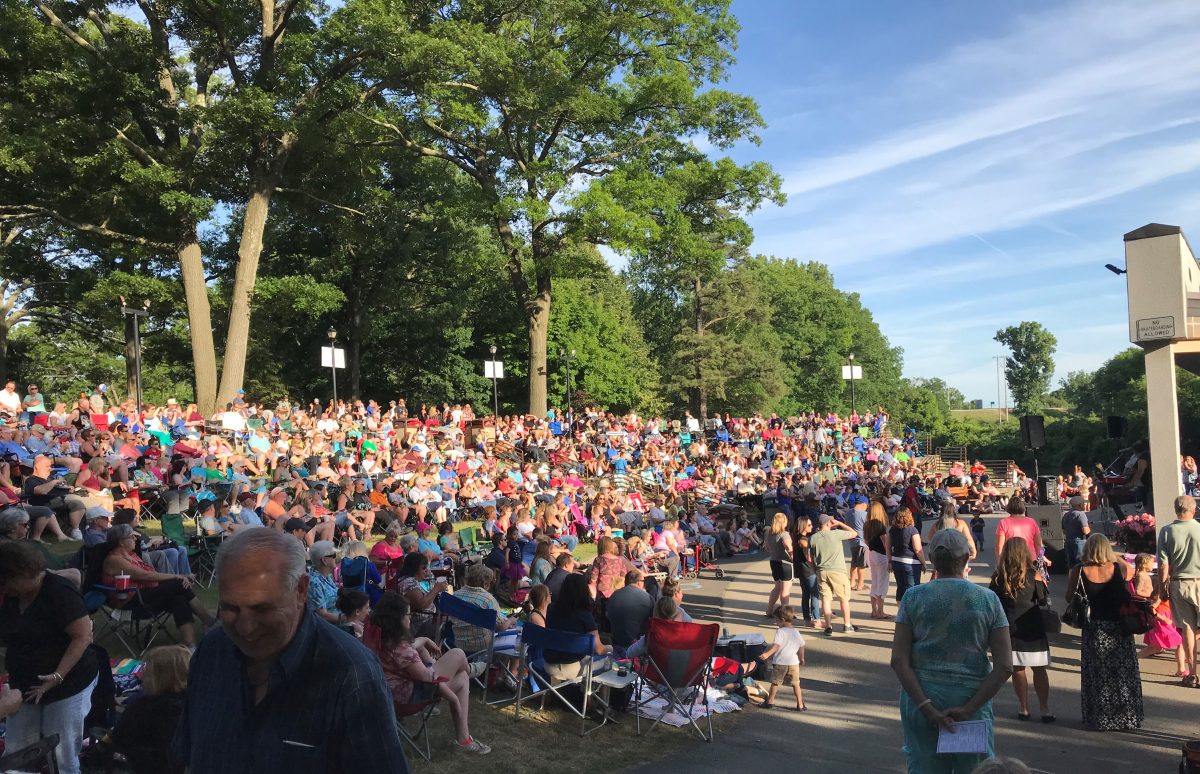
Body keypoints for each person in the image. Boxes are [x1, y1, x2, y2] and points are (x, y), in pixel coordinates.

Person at [175, 528, 409, 772]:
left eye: (262, 609)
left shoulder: (351, 673)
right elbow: (189, 753)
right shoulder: (212, 652)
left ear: (301, 591)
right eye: (230, 608)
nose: (245, 627)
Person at [890, 529, 1013, 774]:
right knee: (975, 769)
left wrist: (927, 708)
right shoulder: (987, 599)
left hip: (921, 696)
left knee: (925, 767)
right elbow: (1005, 666)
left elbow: (899, 660)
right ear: (967, 558)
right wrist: (969, 708)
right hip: (971, 699)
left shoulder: (913, 597)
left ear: (933, 559)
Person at [0, 541, 99, 774]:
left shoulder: (59, 592)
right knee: (17, 751)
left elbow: (83, 637)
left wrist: (56, 676)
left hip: (68, 680)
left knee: (61, 750)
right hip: (23, 681)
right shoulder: (10, 596)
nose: (5, 587)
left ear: (25, 574)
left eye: (7, 582)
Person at [370, 592, 490, 754]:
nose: (410, 618)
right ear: (397, 618)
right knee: (458, 654)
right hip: (408, 699)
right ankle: (470, 669)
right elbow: (429, 678)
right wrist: (451, 696)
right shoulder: (402, 648)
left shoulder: (381, 637)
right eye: (408, 614)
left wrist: (425, 641)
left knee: (461, 678)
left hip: (387, 694)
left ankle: (464, 739)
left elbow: (411, 648)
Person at [1067, 533, 1143, 730]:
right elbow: (1131, 575)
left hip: (1094, 628)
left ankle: (1100, 717)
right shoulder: (1119, 567)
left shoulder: (1079, 570)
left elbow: (1069, 597)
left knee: (1097, 674)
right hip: (1119, 627)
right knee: (1123, 674)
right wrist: (1113, 555)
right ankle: (1126, 716)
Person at [101, 523, 212, 646]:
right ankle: (210, 623)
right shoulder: (114, 560)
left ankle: (190, 645)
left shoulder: (132, 555)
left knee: (178, 598)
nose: (135, 539)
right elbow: (145, 575)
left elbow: (151, 574)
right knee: (179, 584)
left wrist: (179, 578)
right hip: (131, 601)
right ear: (121, 542)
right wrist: (177, 576)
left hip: (146, 595)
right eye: (131, 536)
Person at [989, 538, 1054, 722]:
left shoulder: (999, 576)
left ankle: (1024, 708)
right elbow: (1042, 601)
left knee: (1018, 669)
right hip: (1032, 627)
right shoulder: (1034, 575)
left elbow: (993, 602)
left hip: (1009, 627)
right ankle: (1045, 709)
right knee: (1040, 669)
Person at [111, 645, 189, 774]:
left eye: (147, 673)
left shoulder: (144, 707)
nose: (141, 678)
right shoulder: (197, 703)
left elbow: (120, 739)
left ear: (163, 678)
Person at [1156, 494, 1200, 686]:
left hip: (1178, 583)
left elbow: (1163, 564)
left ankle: (1192, 673)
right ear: (1194, 509)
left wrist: (1162, 586)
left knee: (1187, 629)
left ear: (1176, 509)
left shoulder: (1167, 531)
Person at [544, 572, 611, 681]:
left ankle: (561, 693)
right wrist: (611, 648)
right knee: (608, 659)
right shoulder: (584, 615)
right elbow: (599, 649)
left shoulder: (551, 608)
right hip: (572, 668)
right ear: (584, 591)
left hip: (548, 664)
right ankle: (592, 696)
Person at [810, 513, 858, 636]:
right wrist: (841, 524)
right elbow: (854, 533)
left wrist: (815, 569)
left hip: (822, 571)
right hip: (837, 570)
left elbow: (811, 557)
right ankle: (847, 625)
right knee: (844, 599)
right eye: (831, 522)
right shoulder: (836, 534)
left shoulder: (814, 538)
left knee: (826, 600)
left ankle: (828, 627)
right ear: (827, 523)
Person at [755, 604, 806, 711]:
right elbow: (802, 645)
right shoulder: (796, 631)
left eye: (777, 621)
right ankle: (800, 704)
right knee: (796, 684)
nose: (776, 623)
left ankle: (770, 701)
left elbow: (777, 646)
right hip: (793, 662)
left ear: (782, 620)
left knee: (775, 682)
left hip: (781, 662)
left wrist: (767, 654)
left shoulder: (780, 631)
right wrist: (802, 658)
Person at [606, 569, 654, 656]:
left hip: (617, 642)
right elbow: (654, 619)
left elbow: (608, 615)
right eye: (643, 581)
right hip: (637, 644)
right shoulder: (647, 597)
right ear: (639, 582)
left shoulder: (614, 595)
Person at [887, 507, 925, 602]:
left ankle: (901, 611)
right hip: (911, 562)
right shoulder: (913, 530)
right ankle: (911, 613)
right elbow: (917, 549)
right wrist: (923, 562)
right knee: (912, 589)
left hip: (896, 561)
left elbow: (887, 547)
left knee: (900, 588)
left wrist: (890, 561)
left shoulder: (892, 530)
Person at [791, 516, 821, 627]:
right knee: (814, 594)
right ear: (803, 526)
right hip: (808, 570)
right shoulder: (803, 539)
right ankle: (816, 619)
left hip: (800, 570)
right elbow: (808, 557)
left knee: (806, 595)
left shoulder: (796, 537)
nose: (811, 526)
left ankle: (807, 619)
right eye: (809, 525)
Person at [864, 501, 892, 620]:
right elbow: (886, 543)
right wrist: (890, 557)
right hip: (881, 555)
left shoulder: (867, 525)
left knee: (874, 582)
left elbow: (865, 541)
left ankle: (874, 610)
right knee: (883, 583)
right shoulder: (880, 525)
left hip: (872, 554)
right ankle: (880, 611)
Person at [764, 512, 794, 617]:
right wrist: (792, 555)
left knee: (777, 587)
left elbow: (766, 547)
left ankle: (769, 610)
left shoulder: (769, 533)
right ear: (783, 522)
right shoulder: (784, 534)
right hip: (785, 563)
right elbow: (788, 546)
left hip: (774, 561)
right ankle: (785, 613)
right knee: (785, 589)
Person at [306, 540, 342, 624]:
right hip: (330, 627)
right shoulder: (315, 583)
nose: (336, 558)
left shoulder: (327, 576)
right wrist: (347, 620)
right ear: (324, 560)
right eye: (333, 555)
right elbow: (322, 615)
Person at [845, 496, 869, 591]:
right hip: (862, 542)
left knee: (854, 563)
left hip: (852, 540)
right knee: (861, 565)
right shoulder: (865, 515)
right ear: (863, 504)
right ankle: (860, 584)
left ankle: (852, 582)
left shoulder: (849, 512)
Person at [1061, 495, 1091, 569]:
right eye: (1083, 503)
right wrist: (1090, 527)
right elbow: (1086, 531)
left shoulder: (1066, 515)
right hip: (1079, 542)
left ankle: (1072, 579)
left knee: (1071, 565)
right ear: (1079, 505)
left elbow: (1064, 531)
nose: (1084, 505)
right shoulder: (1081, 514)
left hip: (1068, 541)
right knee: (1080, 564)